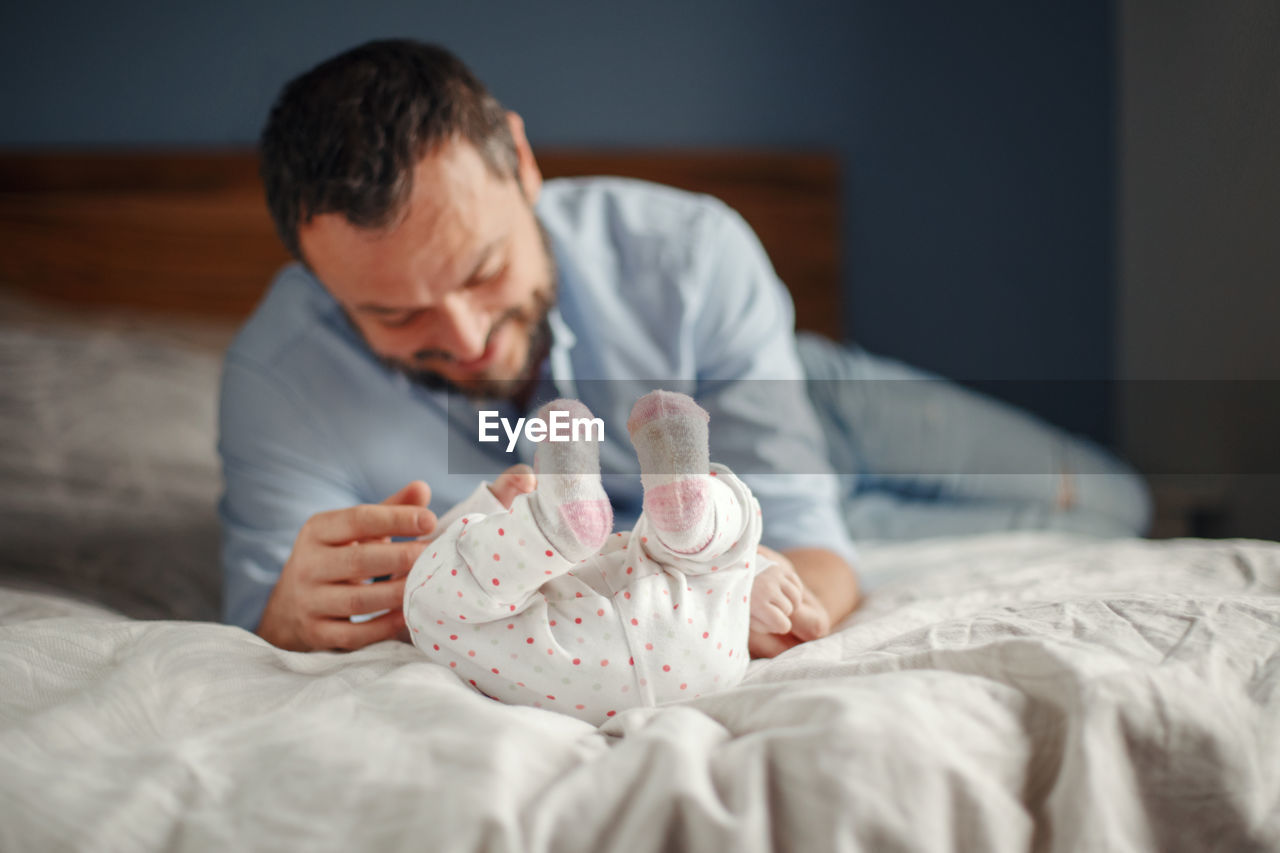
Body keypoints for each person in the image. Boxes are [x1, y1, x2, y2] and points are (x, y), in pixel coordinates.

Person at [220, 39, 856, 655]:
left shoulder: (692, 260)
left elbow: (810, 543)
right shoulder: (279, 380)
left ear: (522, 164)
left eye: (483, 272)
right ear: (318, 276)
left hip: (814, 388)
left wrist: (787, 606)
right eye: (397, 314)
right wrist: (290, 618)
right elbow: (266, 629)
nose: (467, 341)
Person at [406, 392, 764, 724]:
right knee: (731, 543)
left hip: (557, 665)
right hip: (702, 654)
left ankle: (551, 529)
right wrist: (748, 566)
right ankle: (692, 521)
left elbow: (447, 563)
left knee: (430, 596)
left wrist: (766, 571)